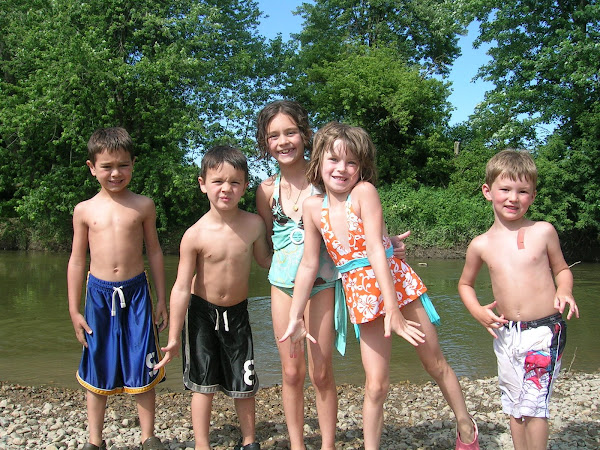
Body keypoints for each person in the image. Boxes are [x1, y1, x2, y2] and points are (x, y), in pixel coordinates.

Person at [280, 122, 480, 450]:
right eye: (333, 160)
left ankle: (465, 426)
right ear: (317, 162)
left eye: (352, 163)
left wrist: (394, 310)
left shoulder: (364, 193)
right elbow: (308, 264)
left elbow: (375, 248)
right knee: (375, 385)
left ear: (362, 168)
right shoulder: (312, 208)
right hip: (361, 295)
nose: (341, 169)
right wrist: (295, 315)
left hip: (396, 287)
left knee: (434, 362)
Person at [458, 149, 579, 450]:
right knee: (514, 404)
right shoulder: (481, 244)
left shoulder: (543, 232)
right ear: (488, 191)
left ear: (533, 196)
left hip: (545, 331)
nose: (514, 198)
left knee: (534, 405)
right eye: (506, 189)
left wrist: (564, 289)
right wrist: (477, 311)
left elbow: (562, 269)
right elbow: (465, 284)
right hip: (507, 333)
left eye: (523, 191)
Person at [154, 145, 271, 450]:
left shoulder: (254, 225)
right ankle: (201, 444)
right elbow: (181, 286)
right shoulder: (194, 234)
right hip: (201, 315)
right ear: (202, 183)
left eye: (234, 182)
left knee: (243, 380)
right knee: (202, 382)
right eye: (218, 181)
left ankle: (249, 441)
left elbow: (267, 262)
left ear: (245, 186)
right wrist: (175, 334)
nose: (226, 189)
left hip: (238, 313)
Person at [67, 127, 168, 450]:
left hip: (137, 293)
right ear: (92, 167)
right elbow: (76, 260)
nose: (115, 173)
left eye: (123, 165)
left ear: (133, 164)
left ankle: (148, 436)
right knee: (97, 362)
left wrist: (161, 299)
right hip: (98, 295)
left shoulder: (143, 205)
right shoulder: (84, 210)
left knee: (144, 361)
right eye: (107, 166)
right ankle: (95, 440)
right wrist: (74, 310)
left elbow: (154, 251)